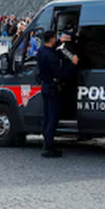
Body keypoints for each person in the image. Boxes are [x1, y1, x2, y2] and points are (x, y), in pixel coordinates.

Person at [37, 30, 78, 158]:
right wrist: (73, 64)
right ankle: (49, 147)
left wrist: (61, 41)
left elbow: (52, 48)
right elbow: (61, 74)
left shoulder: (41, 52)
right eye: (55, 38)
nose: (56, 40)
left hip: (45, 86)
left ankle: (46, 142)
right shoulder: (52, 56)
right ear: (51, 39)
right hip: (54, 88)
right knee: (53, 118)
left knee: (46, 117)